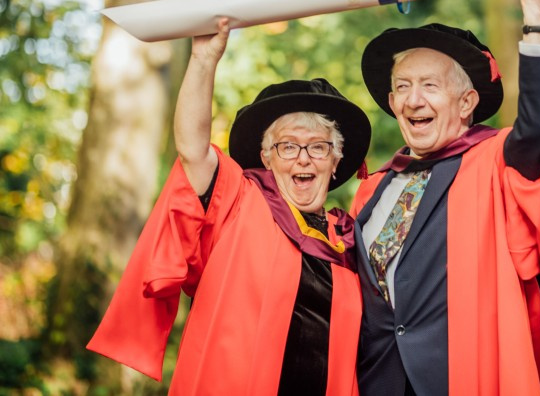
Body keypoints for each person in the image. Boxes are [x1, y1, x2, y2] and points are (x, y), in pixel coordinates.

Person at [350, 0, 540, 395]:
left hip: (467, 376)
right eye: (402, 87)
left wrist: (537, 15)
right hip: (379, 381)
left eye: (430, 85)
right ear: (390, 103)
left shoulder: (494, 163)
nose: (413, 99)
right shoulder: (372, 190)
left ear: (467, 103)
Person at [87, 19, 372, 395]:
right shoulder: (240, 202)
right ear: (266, 158)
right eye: (287, 146)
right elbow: (192, 149)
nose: (303, 159)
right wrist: (204, 60)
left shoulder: (350, 239)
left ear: (335, 161)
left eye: (318, 147)